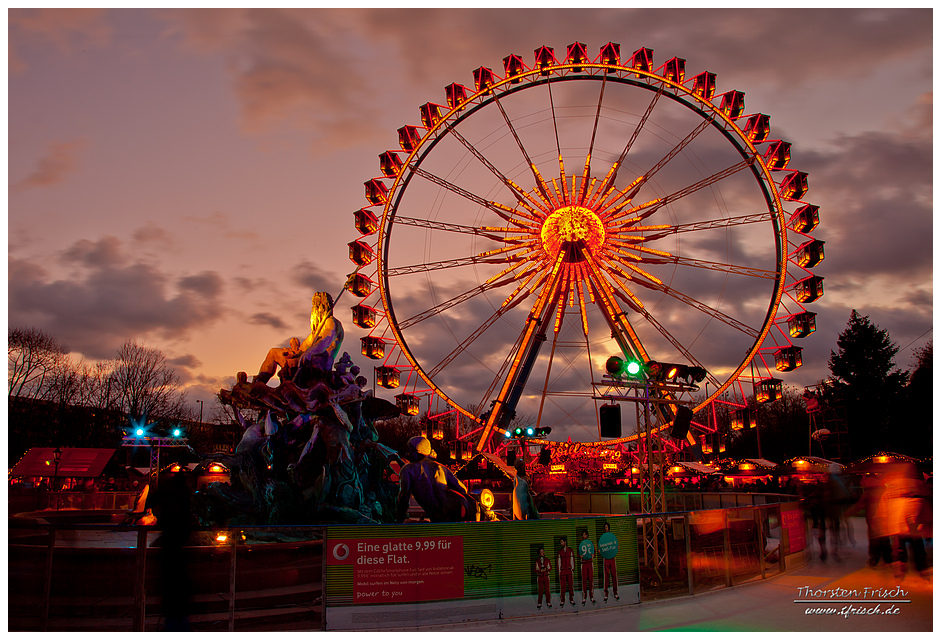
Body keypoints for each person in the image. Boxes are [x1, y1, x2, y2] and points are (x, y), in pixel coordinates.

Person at [396, 436, 477, 523]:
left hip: (440, 512)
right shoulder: (440, 467)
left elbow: (404, 497)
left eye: (409, 450)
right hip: (461, 505)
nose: (408, 454)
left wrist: (399, 522)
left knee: (410, 523)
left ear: (414, 452)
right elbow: (462, 489)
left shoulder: (407, 469)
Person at [298, 292, 344, 372]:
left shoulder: (332, 322)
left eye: (317, 306)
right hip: (314, 361)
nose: (314, 309)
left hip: (323, 364)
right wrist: (294, 352)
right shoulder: (318, 329)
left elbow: (325, 341)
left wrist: (309, 351)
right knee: (274, 352)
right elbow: (305, 345)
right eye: (314, 306)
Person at [600, 522, 619, 602]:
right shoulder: (603, 537)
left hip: (612, 558)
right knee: (606, 576)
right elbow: (601, 546)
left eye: (607, 527)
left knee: (614, 575)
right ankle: (606, 594)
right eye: (605, 527)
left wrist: (616, 547)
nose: (606, 528)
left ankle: (615, 592)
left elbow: (616, 545)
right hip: (606, 558)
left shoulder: (611, 536)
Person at [578, 528, 596, 605]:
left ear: (587, 535)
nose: (583, 536)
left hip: (590, 563)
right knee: (584, 580)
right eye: (583, 535)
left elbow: (594, 553)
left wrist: (593, 555)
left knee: (591, 580)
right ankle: (584, 597)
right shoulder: (581, 544)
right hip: (584, 563)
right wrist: (580, 556)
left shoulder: (591, 543)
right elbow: (579, 554)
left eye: (584, 534)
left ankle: (591, 596)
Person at [557, 536, 575, 608]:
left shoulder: (570, 550)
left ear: (565, 542)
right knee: (563, 586)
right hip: (563, 571)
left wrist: (572, 569)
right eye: (560, 542)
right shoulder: (560, 552)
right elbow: (559, 562)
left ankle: (572, 599)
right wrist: (559, 572)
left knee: (570, 585)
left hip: (569, 570)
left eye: (562, 542)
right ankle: (562, 600)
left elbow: (572, 560)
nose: (561, 543)